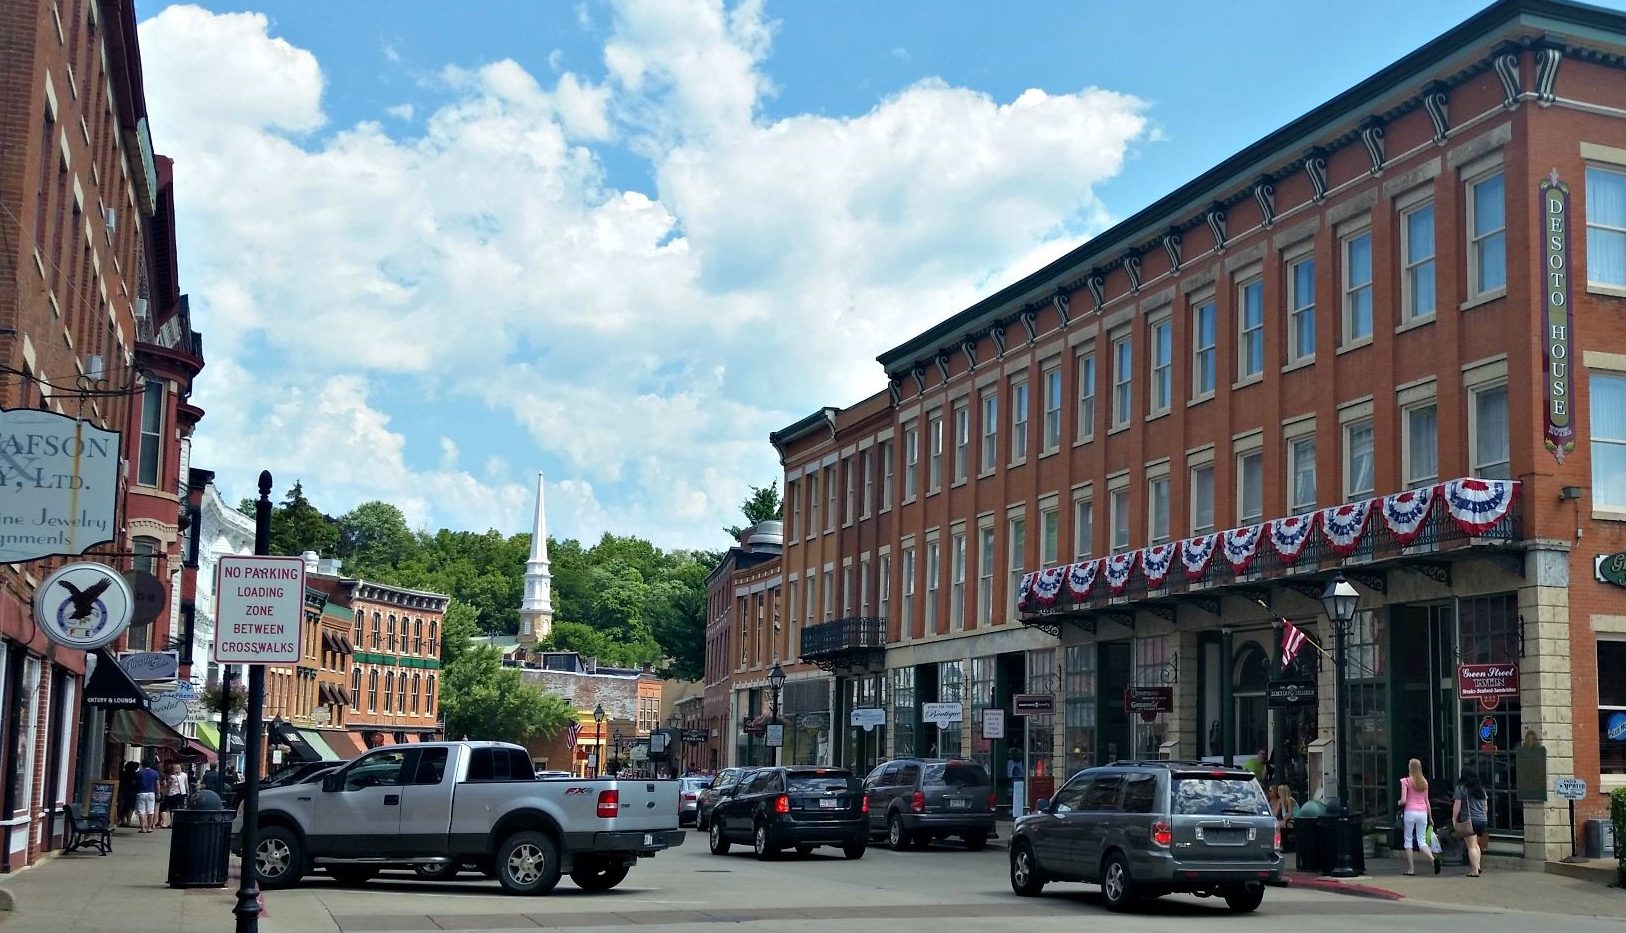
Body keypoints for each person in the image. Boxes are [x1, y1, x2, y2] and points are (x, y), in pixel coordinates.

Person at [1399, 758, 1438, 876]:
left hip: (1410, 812)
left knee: (1408, 841)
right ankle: (1432, 859)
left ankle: (1411, 869)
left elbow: (1404, 800)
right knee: (1422, 842)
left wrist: (1399, 802)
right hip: (1422, 812)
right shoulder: (1424, 782)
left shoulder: (1406, 781)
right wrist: (1430, 817)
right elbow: (1427, 801)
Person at [1452, 769, 1490, 878]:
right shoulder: (1481, 789)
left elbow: (1457, 805)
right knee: (1476, 844)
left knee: (1471, 846)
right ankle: (1477, 866)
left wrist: (1454, 819)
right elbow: (1485, 807)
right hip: (1482, 820)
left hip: (1469, 820)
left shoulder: (1461, 788)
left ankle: (1474, 871)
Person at [134, 759, 161, 833]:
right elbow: (157, 784)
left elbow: (134, 782)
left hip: (141, 793)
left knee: (141, 812)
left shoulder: (139, 773)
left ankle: (142, 828)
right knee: (150, 811)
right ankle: (149, 828)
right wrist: (158, 793)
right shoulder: (155, 773)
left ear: (142, 765)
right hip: (151, 793)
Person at [160, 762, 189, 828]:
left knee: (170, 809)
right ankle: (177, 822)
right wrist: (188, 792)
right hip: (182, 793)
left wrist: (165, 791)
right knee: (179, 808)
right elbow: (186, 784)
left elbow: (168, 786)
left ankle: (171, 823)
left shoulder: (172, 777)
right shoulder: (184, 775)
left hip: (171, 794)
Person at [1271, 783, 1297, 850]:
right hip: (1289, 820)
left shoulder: (1289, 800)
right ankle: (1279, 844)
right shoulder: (1283, 801)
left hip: (1295, 820)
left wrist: (1284, 820)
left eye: (1279, 791)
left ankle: (1280, 845)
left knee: (1277, 825)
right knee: (1276, 825)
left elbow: (1290, 813)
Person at [118, 761, 140, 828]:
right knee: (130, 807)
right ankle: (128, 821)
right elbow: (134, 783)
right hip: (132, 792)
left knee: (121, 807)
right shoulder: (135, 774)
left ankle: (122, 821)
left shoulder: (123, 773)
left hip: (122, 791)